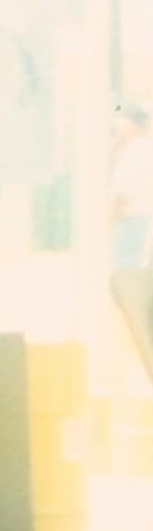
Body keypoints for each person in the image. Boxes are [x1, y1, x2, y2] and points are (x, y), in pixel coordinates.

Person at [110, 103, 153, 380]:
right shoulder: (144, 149)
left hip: (133, 222)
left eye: (121, 120)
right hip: (142, 220)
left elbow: (122, 195)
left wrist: (106, 224)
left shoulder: (133, 152)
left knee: (126, 282)